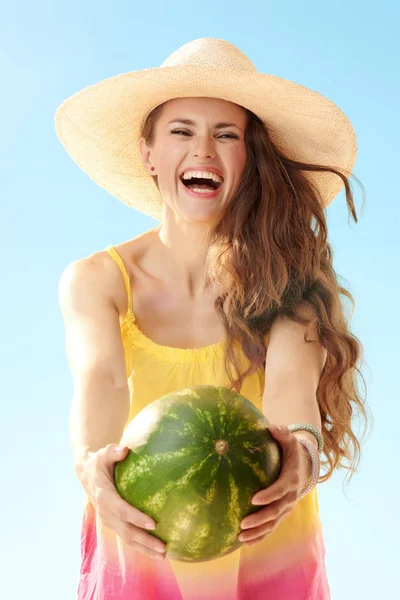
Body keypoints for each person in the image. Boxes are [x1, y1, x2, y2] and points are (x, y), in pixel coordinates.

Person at [56, 38, 370, 600]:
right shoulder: (97, 280)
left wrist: (301, 451)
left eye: (227, 134)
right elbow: (99, 381)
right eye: (181, 131)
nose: (204, 150)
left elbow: (292, 393)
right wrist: (92, 472)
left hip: (270, 542)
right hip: (144, 542)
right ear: (148, 154)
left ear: (249, 157)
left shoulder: (289, 279)